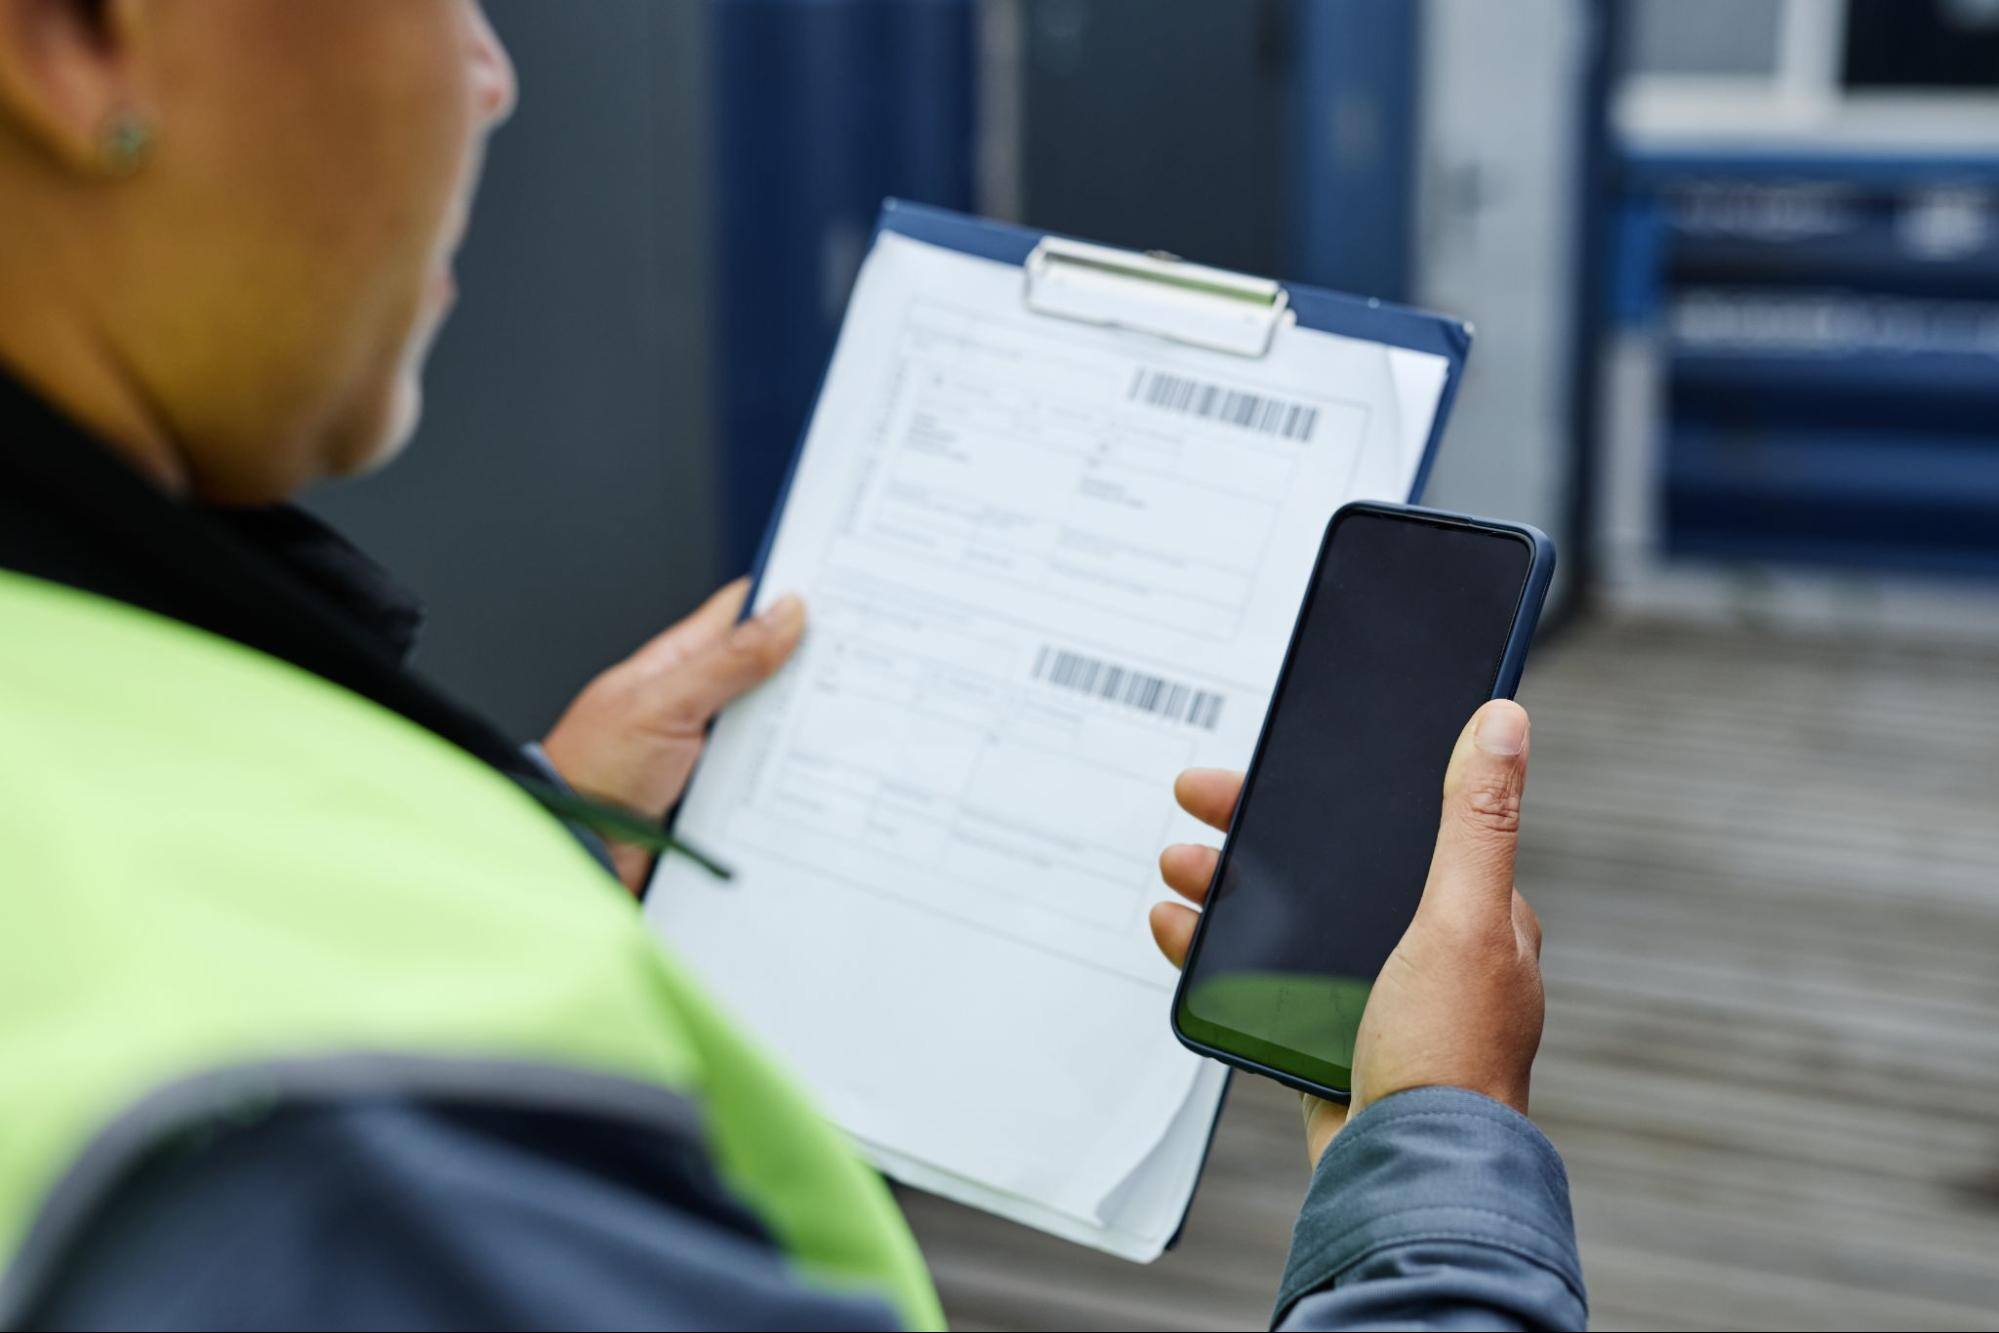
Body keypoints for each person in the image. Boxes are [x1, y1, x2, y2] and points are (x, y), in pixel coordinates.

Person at [0, 2, 1584, 1329]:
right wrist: (1435, 1163)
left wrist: (536, 841)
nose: (491, 73)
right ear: (70, 43)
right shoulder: (329, 1149)